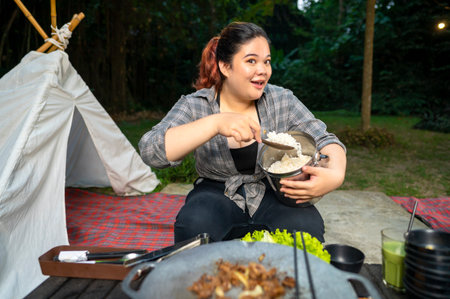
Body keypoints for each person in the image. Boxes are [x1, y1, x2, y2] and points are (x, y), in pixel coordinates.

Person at [139, 22, 346, 244]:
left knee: (306, 227)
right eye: (251, 61)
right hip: (215, 193)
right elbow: (151, 150)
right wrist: (214, 124)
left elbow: (326, 140)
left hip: (272, 192)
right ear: (225, 67)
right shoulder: (195, 106)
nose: (263, 70)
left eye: (266, 61)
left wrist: (335, 175)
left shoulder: (281, 100)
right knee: (194, 225)